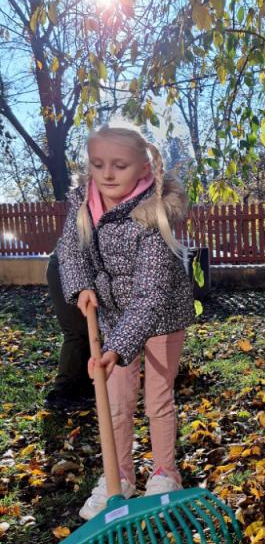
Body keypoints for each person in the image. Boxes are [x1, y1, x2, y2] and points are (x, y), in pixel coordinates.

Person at [57, 124, 196, 520]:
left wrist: (116, 349)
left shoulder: (154, 215)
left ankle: (165, 474)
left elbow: (151, 296)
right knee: (115, 403)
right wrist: (81, 286)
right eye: (98, 164)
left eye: (119, 165)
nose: (107, 174)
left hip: (162, 317)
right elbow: (70, 249)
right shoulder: (84, 202)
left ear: (143, 167)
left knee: (157, 399)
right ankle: (119, 477)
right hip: (114, 315)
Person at [44, 249, 95, 412]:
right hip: (65, 272)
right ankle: (61, 394)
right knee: (77, 332)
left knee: (89, 331)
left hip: (81, 273)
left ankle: (82, 389)